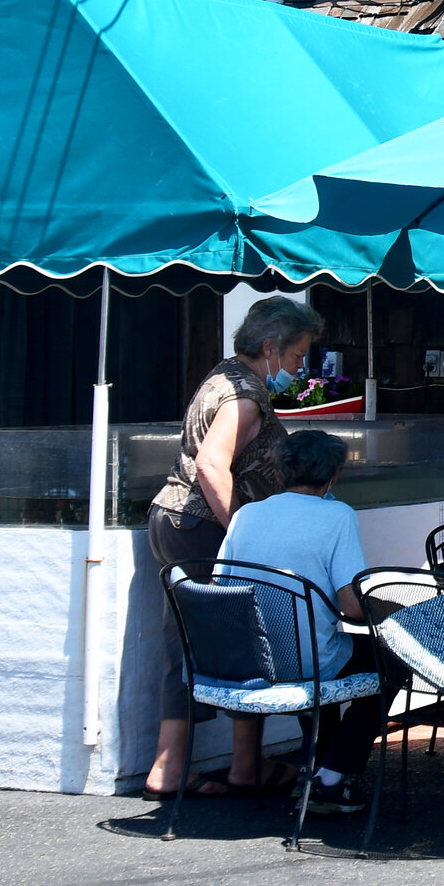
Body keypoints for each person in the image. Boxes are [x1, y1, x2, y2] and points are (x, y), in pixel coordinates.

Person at [143, 295, 321, 801]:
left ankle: (175, 765)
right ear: (270, 347)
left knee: (184, 645)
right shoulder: (244, 396)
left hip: (176, 520)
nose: (298, 367)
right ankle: (235, 765)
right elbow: (211, 465)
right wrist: (241, 531)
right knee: (246, 641)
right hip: (203, 527)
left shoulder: (221, 376)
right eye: (295, 356)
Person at [219, 428, 381, 815]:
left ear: (279, 472)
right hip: (306, 662)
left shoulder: (246, 514)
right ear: (333, 475)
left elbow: (220, 587)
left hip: (248, 659)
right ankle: (332, 775)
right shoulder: (337, 515)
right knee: (388, 663)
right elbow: (353, 608)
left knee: (324, 649)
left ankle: (318, 765)